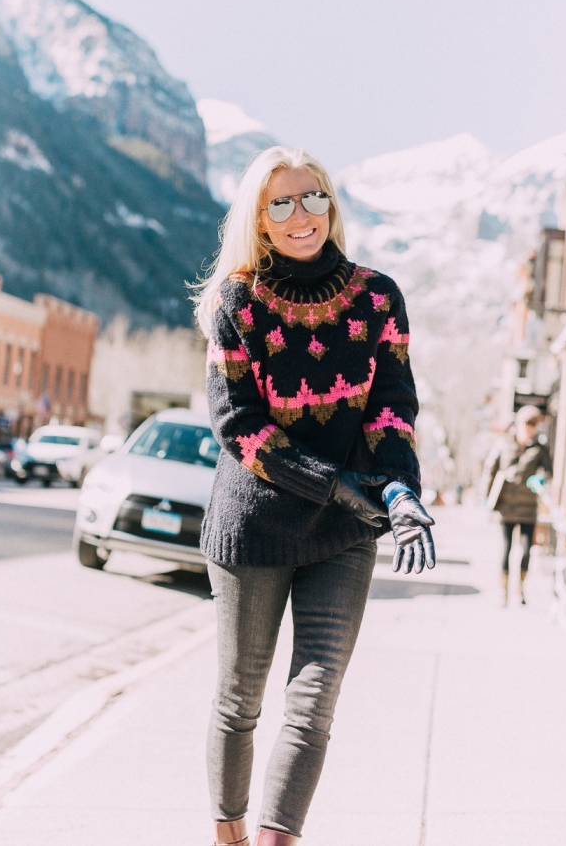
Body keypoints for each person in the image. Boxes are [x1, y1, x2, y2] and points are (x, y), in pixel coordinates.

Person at [193, 146, 435, 846]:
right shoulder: (239, 300)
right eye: (282, 203)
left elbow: (391, 408)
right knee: (240, 701)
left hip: (345, 535)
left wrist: (399, 491)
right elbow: (239, 425)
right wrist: (334, 484)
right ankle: (228, 834)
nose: (302, 215)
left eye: (313, 198)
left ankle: (276, 840)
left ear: (331, 204)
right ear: (259, 221)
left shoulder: (378, 297)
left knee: (313, 703)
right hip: (255, 528)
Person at [480, 404, 552, 606]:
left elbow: (548, 472)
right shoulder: (503, 444)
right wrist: (486, 497)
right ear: (519, 424)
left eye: (534, 425)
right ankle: (503, 593)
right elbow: (490, 470)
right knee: (506, 549)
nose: (530, 429)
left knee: (527, 550)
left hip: (528, 507)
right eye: (527, 424)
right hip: (506, 506)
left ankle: (520, 589)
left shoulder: (540, 449)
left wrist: (540, 478)